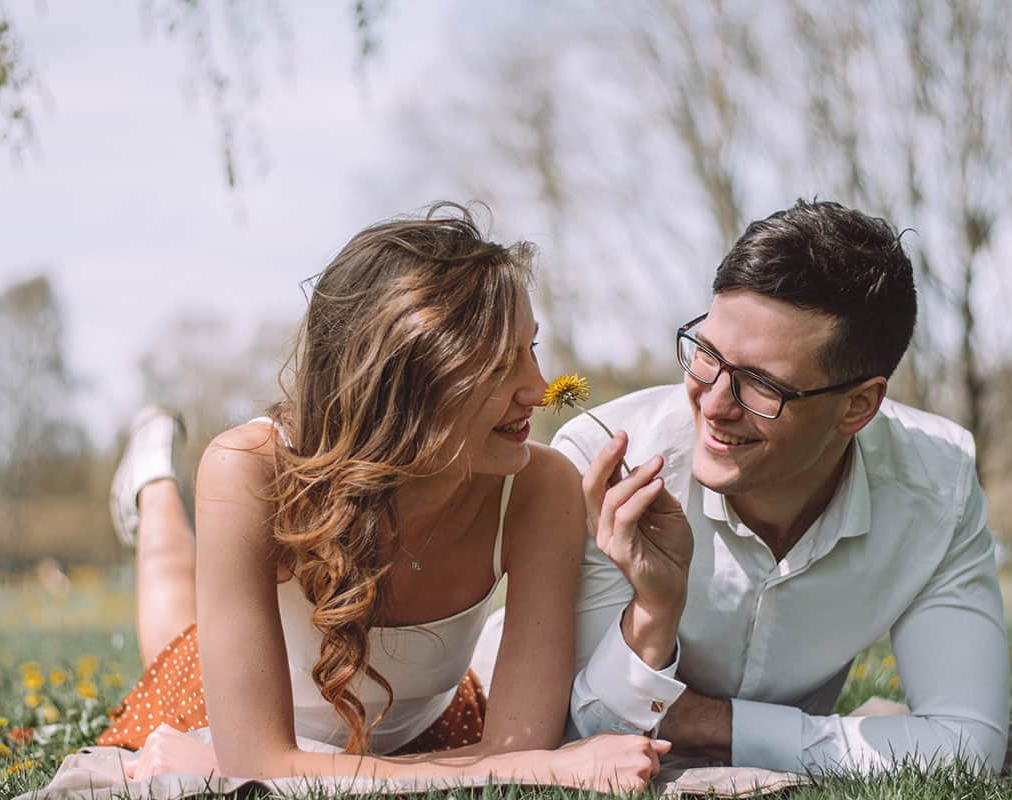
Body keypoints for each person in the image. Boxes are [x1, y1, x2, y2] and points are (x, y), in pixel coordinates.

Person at [97, 205, 667, 788]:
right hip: (226, 706)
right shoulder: (246, 468)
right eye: (499, 365)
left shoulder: (541, 486)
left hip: (429, 727)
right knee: (174, 620)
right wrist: (251, 762)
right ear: (405, 378)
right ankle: (152, 480)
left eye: (532, 349)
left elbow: (521, 750)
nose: (540, 390)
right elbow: (259, 765)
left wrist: (509, 761)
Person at [556, 199, 1009, 775]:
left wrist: (707, 721)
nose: (714, 404)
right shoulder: (604, 461)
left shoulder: (938, 486)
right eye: (706, 356)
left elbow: (969, 750)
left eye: (761, 385)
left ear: (859, 405)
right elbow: (578, 735)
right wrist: (655, 610)